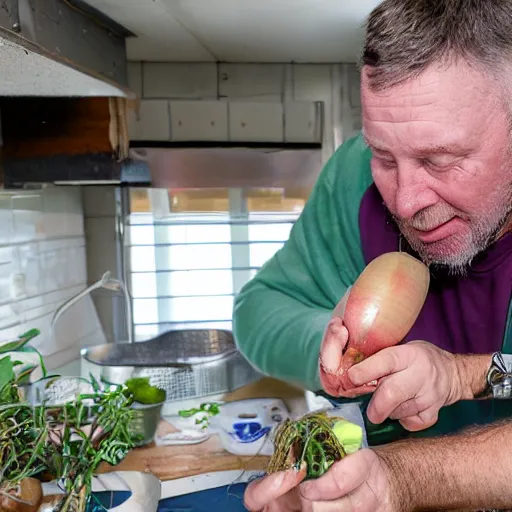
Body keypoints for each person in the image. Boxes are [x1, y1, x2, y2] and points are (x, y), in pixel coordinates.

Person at [232, 0, 512, 509]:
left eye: (440, 160)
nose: (405, 202)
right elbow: (258, 309)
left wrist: (402, 480)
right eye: (384, 156)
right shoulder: (354, 181)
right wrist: (329, 344)